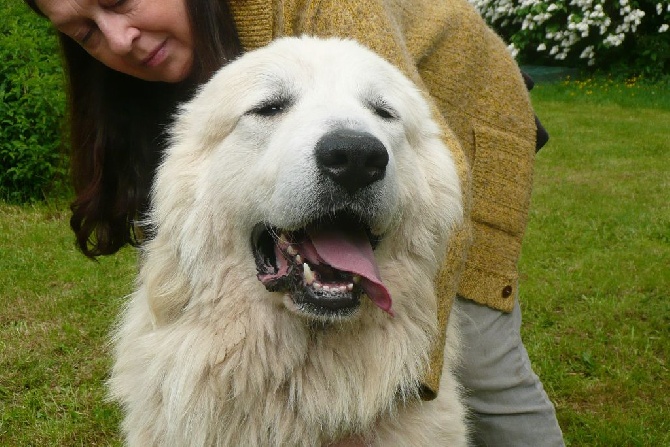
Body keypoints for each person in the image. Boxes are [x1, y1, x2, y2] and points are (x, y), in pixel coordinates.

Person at [25, 0, 564, 445]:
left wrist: (406, 386)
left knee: (487, 360)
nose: (119, 39)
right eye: (85, 32)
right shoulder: (160, 66)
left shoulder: (335, 13)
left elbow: (381, 127)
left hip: (466, 112)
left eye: (119, 1)